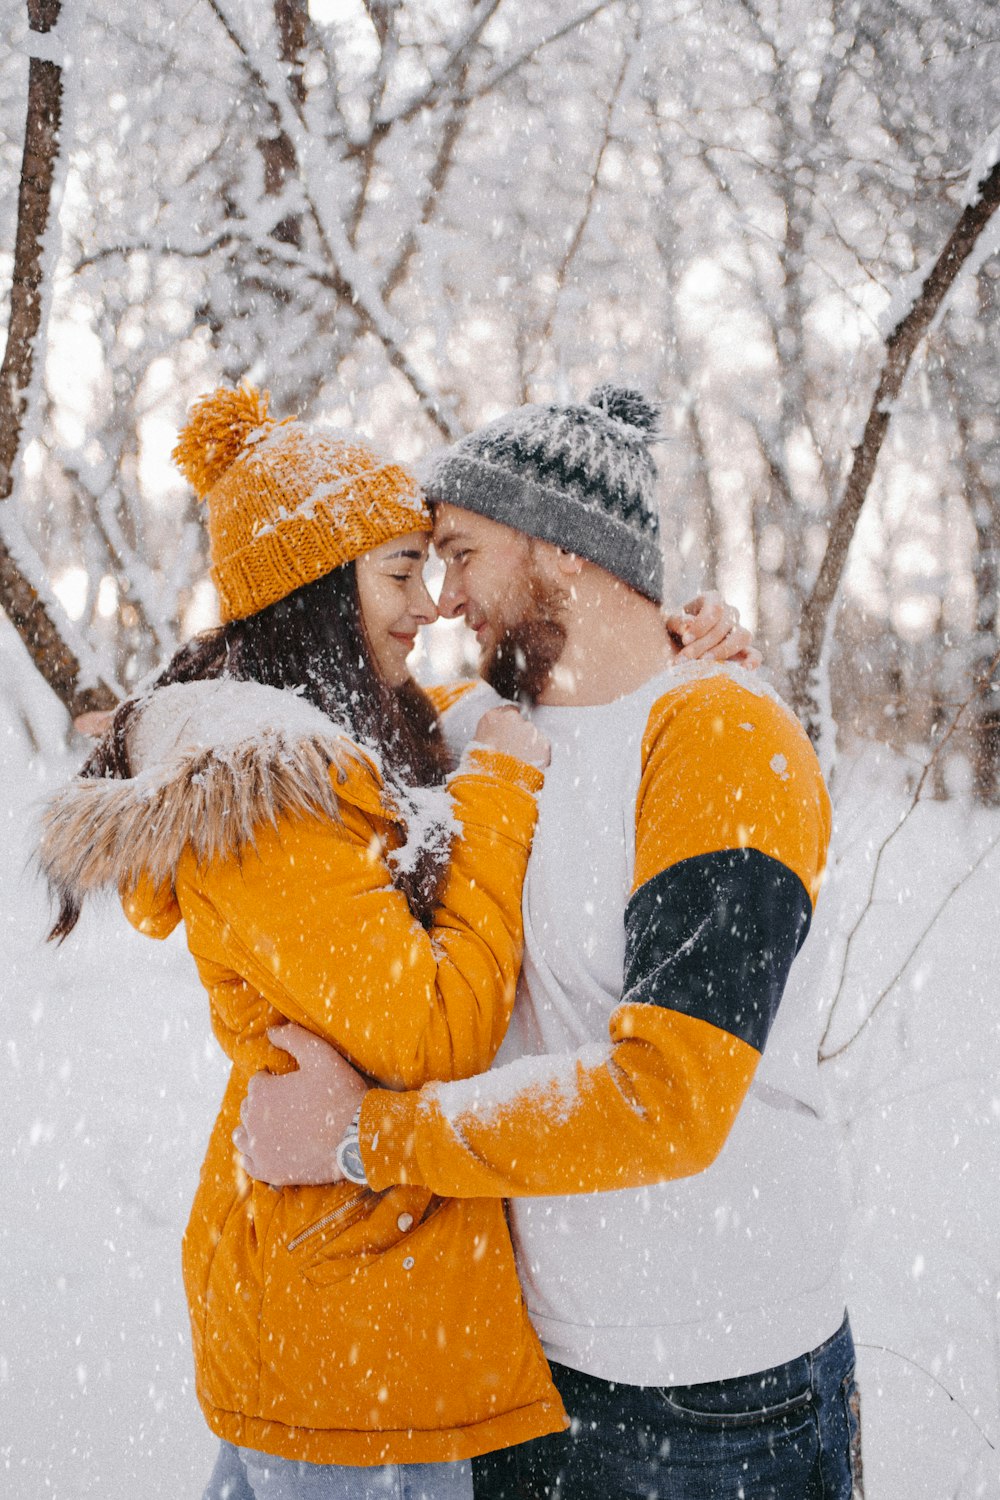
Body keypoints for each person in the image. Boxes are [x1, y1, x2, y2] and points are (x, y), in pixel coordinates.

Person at [238, 385, 863, 1499]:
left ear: (564, 550)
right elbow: (285, 697)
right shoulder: (489, 731)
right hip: (527, 1368)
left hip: (715, 1393)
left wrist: (361, 1140)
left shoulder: (717, 734)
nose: (442, 599)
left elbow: (668, 1098)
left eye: (460, 553)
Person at [39, 384, 568, 1500]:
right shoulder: (272, 804)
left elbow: (446, 737)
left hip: (348, 1311)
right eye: (397, 573)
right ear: (316, 591)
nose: (426, 606)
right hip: (347, 1342)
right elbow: (437, 1031)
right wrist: (507, 787)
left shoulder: (328, 748)